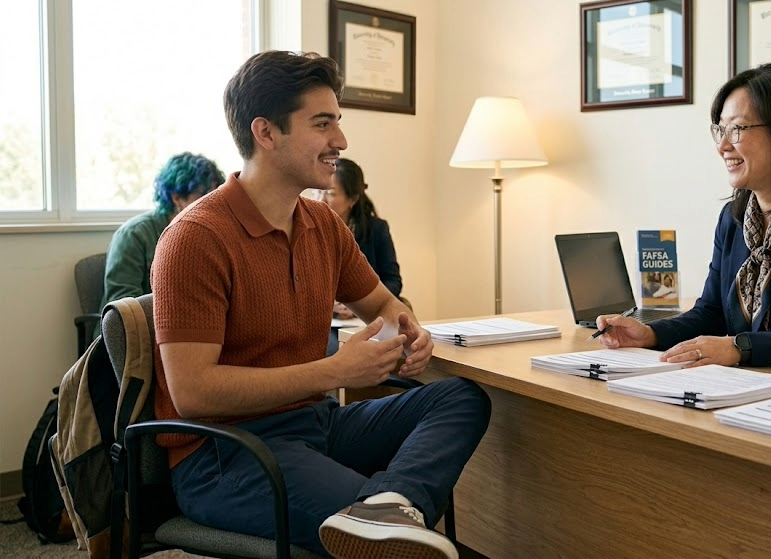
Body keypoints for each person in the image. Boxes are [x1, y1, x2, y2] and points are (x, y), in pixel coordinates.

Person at [149, 50, 491, 559]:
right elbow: (194, 393)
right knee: (400, 545)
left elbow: (382, 302)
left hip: (314, 424)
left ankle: (390, 505)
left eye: (338, 122)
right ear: (266, 133)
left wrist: (409, 330)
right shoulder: (195, 238)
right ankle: (384, 515)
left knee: (461, 397)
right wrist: (333, 371)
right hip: (226, 453)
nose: (341, 141)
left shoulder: (322, 224)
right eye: (322, 123)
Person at [597, 62, 771, 368]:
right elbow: (712, 313)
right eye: (721, 129)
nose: (722, 146)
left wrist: (739, 347)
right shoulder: (733, 218)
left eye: (737, 129)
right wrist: (650, 334)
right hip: (744, 388)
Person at [99, 152, 224, 311]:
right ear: (177, 198)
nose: (211, 202)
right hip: (139, 331)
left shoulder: (208, 234)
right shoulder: (134, 234)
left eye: (215, 194)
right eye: (204, 194)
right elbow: (123, 307)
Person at [323, 158, 402, 317]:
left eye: (330, 193)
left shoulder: (376, 229)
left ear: (352, 199)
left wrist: (359, 305)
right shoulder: (309, 229)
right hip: (324, 318)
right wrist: (330, 305)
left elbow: (393, 282)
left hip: (365, 317)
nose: (320, 199)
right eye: (317, 191)